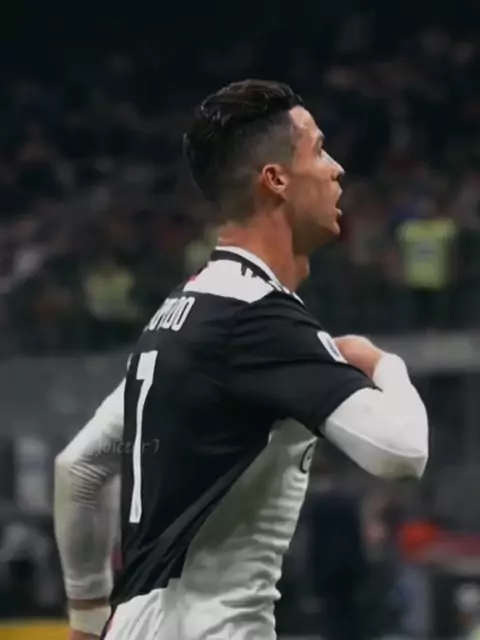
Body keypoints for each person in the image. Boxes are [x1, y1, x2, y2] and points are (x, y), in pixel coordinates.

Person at [56, 79, 429, 640]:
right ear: (275, 179)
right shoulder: (256, 319)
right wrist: (380, 362)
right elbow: (401, 452)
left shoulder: (184, 315)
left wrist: (88, 620)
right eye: (319, 150)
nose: (337, 169)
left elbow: (80, 468)